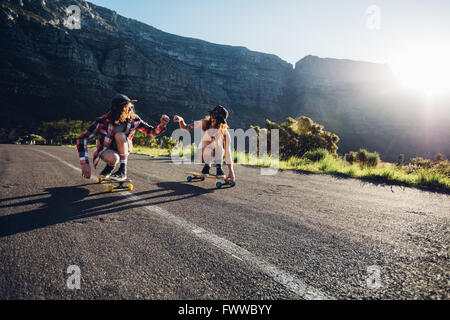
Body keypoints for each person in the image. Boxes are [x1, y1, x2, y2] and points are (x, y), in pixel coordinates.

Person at [77, 94, 170, 181]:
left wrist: (162, 125)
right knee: (113, 159)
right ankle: (110, 166)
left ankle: (122, 171)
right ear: (119, 109)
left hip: (125, 146)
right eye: (128, 107)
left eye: (131, 107)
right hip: (107, 149)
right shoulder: (102, 121)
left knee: (120, 135)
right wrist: (84, 163)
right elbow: (82, 138)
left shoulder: (134, 119)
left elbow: (152, 132)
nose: (131, 109)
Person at [173, 105, 235, 182]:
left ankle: (219, 167)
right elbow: (186, 127)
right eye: (213, 118)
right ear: (211, 116)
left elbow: (227, 152)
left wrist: (231, 171)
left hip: (217, 154)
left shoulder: (225, 132)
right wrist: (181, 120)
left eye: (217, 120)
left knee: (219, 146)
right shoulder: (204, 123)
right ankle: (207, 166)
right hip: (202, 152)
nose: (213, 122)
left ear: (221, 121)